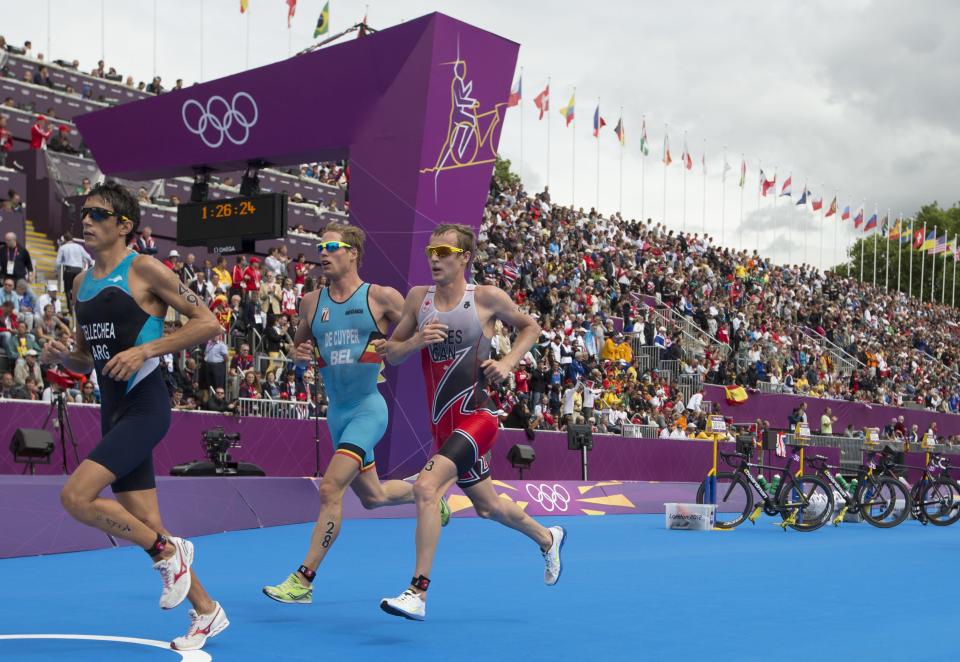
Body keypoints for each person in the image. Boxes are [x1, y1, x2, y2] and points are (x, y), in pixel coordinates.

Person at [39, 181, 228, 651]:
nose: (87, 220)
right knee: (144, 517)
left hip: (146, 405)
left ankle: (167, 551)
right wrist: (65, 358)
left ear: (125, 225)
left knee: (76, 497)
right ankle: (207, 611)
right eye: (84, 212)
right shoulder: (80, 283)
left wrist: (145, 348)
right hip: (113, 409)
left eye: (99, 214)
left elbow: (209, 322)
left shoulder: (143, 268)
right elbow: (89, 358)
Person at [378, 223, 565, 621]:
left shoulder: (485, 297)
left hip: (480, 417)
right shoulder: (418, 299)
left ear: (465, 257)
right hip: (443, 427)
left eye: (445, 251)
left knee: (427, 488)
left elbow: (531, 326)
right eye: (432, 250)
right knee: (487, 506)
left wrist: (508, 362)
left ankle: (417, 592)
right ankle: (548, 538)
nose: (435, 258)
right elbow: (392, 354)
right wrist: (415, 342)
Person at [262, 223, 450, 605]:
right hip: (338, 414)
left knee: (331, 489)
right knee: (373, 496)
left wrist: (405, 342)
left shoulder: (379, 298)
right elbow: (300, 346)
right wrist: (298, 355)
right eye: (320, 246)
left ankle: (304, 580)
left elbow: (424, 328)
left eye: (331, 246)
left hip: (368, 408)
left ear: (352, 253)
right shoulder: (311, 302)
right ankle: (424, 492)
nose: (323, 252)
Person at [55, 231, 93, 313]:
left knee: (68, 290)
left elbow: (58, 262)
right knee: (78, 289)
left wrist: (57, 272)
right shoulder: (79, 247)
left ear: (65, 239)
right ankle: (79, 307)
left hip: (68, 270)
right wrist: (90, 266)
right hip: (78, 270)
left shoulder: (63, 247)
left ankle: (70, 308)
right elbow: (88, 257)